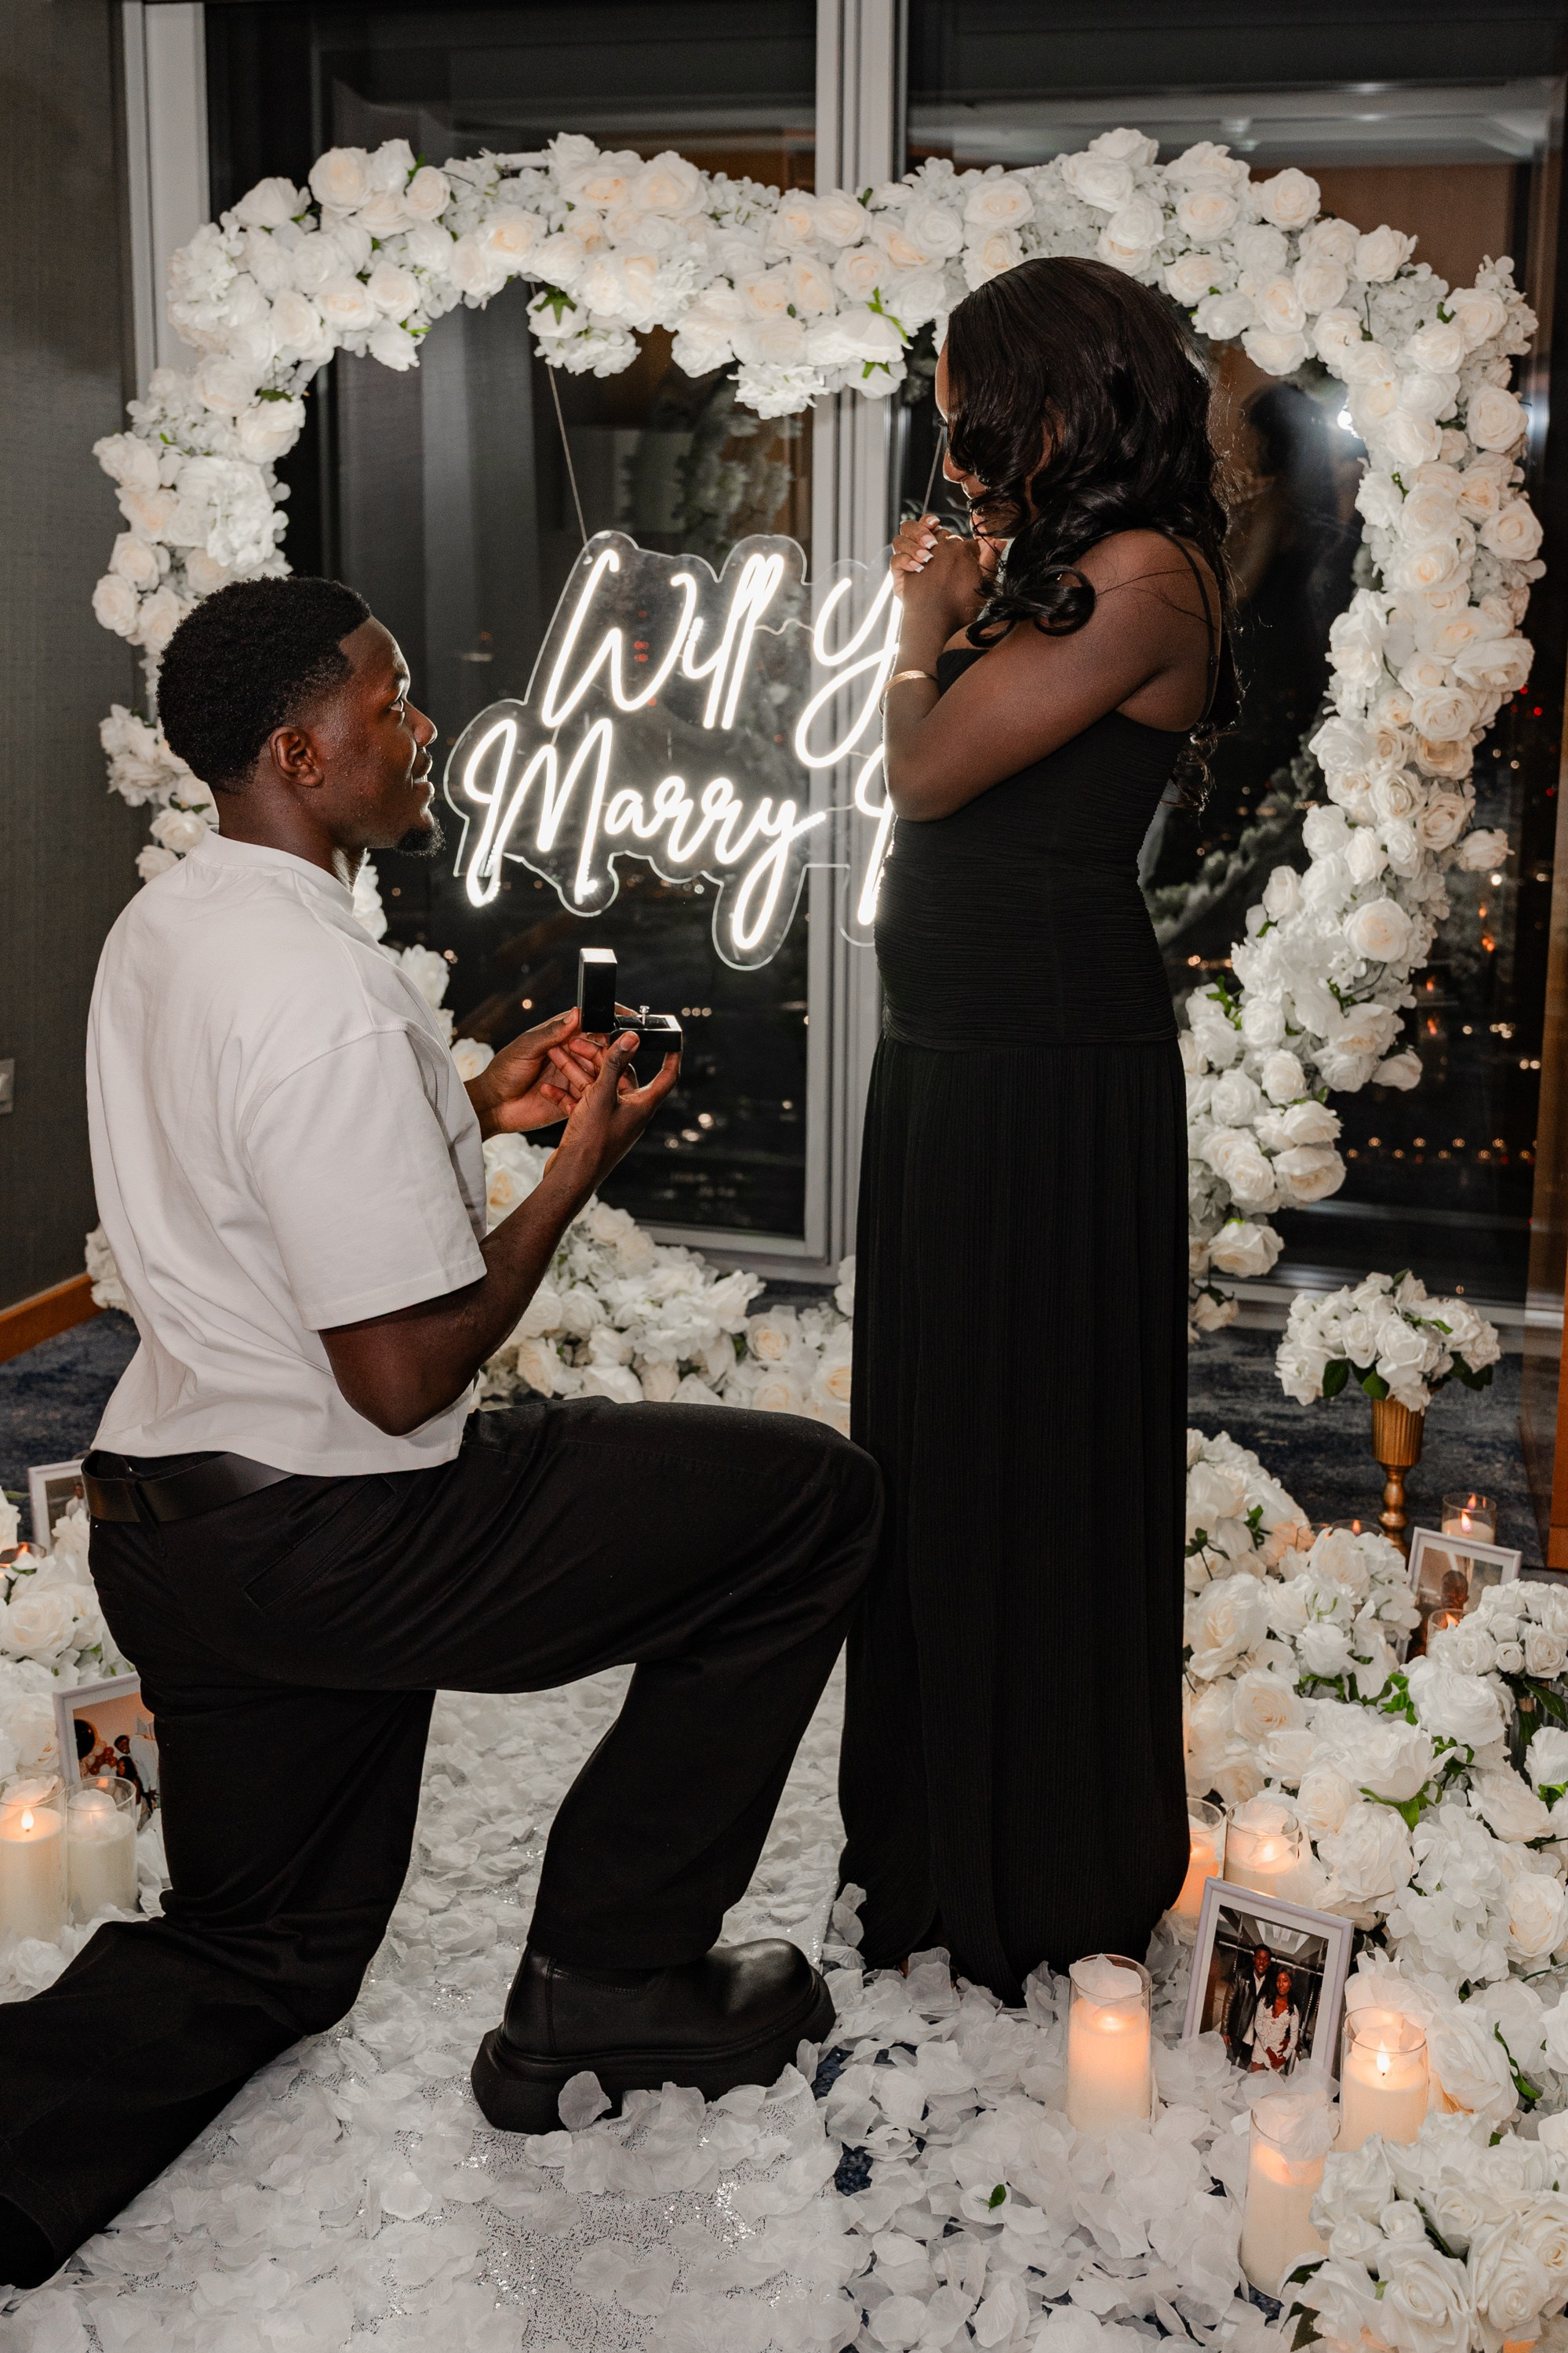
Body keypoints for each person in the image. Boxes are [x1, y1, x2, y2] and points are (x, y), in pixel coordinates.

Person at [0, 576, 881, 2290]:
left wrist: (469, 1103)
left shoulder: (174, 922)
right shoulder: (326, 994)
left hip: (174, 1531)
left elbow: (254, 1165)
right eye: (390, 702)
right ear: (296, 751)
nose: (420, 732)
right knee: (810, 1507)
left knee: (268, 1948)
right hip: (336, 1535)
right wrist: (570, 1172)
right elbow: (400, 1377)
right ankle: (606, 1983)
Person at [839, 256, 1234, 2000]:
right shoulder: (1078, 563)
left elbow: (923, 774)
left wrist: (917, 634)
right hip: (959, 1050)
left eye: (966, 404)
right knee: (944, 1436)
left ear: (1058, 396)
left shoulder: (1142, 575)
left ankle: (1037, 1853)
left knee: (1022, 1440)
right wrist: (968, 595)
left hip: (1040, 1066)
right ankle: (941, 1816)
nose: (950, 438)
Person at [1225, 1943, 1274, 2068]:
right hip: (1236, 2032)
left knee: (1242, 2070)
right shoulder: (1240, 1976)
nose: (1262, 1962)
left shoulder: (1271, 1986)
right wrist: (1225, 2031)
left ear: (1269, 1963)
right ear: (1254, 1959)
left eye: (1265, 1959)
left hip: (1254, 2038)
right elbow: (1229, 2003)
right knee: (1227, 2065)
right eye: (1259, 1957)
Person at [1246, 1964, 1302, 2075]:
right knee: (1254, 2081)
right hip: (1261, 2048)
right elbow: (1257, 2025)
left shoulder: (1293, 2009)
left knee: (1270, 2084)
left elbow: (1294, 2038)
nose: (1281, 1985)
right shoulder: (1264, 2001)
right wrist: (1268, 2050)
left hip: (1278, 2053)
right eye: (1278, 1981)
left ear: (1290, 1983)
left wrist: (1284, 2057)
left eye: (1285, 1981)